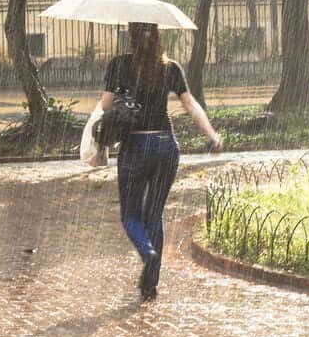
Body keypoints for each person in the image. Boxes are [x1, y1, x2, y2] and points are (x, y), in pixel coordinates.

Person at [95, 22, 222, 301]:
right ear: (158, 38)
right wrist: (211, 134)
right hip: (166, 146)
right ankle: (150, 283)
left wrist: (124, 97)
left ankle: (147, 253)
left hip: (135, 146)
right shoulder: (170, 68)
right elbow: (191, 105)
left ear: (131, 37)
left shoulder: (119, 65)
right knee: (154, 213)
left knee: (130, 215)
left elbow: (105, 106)